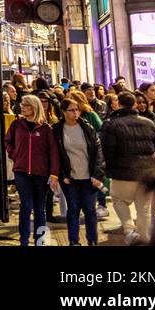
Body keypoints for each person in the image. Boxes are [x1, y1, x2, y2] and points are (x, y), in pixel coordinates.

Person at [100, 91, 155, 244]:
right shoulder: (148, 122)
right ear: (134, 104)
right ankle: (145, 238)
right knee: (144, 208)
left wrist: (107, 168)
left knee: (119, 201)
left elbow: (107, 150)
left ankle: (129, 230)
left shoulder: (110, 124)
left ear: (118, 104)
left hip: (123, 173)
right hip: (147, 172)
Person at [5, 94, 60, 246]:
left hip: (41, 174)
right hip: (21, 172)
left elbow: (53, 152)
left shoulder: (46, 129)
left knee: (39, 209)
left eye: (26, 104)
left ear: (34, 107)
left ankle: (39, 240)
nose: (22, 107)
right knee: (26, 206)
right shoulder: (17, 124)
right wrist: (14, 154)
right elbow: (8, 141)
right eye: (22, 104)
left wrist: (54, 173)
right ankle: (23, 240)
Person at [54, 97, 106, 246]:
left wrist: (97, 174)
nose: (75, 113)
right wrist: (61, 174)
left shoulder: (87, 128)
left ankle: (92, 240)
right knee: (73, 210)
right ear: (63, 112)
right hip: (70, 178)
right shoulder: (57, 130)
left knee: (90, 210)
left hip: (89, 177)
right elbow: (55, 155)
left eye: (77, 110)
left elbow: (98, 152)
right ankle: (74, 241)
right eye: (71, 110)